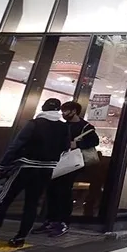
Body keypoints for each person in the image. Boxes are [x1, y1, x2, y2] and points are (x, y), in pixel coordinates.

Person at [0, 99, 70, 249]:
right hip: (46, 170)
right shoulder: (63, 127)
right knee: (32, 204)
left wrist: (2, 165)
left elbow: (16, 145)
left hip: (25, 167)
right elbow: (65, 147)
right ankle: (20, 238)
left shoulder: (34, 124)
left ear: (43, 108)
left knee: (3, 201)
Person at [31, 102, 99, 238]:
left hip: (72, 164)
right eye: (62, 111)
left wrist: (77, 144)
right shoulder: (61, 125)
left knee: (64, 192)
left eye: (66, 111)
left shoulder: (86, 127)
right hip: (57, 162)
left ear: (74, 111)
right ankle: (50, 220)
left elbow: (94, 141)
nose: (63, 113)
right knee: (52, 191)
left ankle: (62, 222)